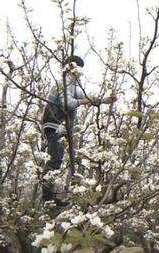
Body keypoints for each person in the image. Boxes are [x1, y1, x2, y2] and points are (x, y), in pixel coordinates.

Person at [41, 55, 117, 206]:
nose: (78, 73)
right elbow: (68, 103)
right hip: (55, 124)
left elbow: (86, 96)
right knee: (54, 160)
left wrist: (106, 99)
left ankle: (50, 197)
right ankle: (48, 199)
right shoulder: (63, 83)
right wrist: (84, 102)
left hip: (59, 126)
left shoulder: (72, 85)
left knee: (57, 160)